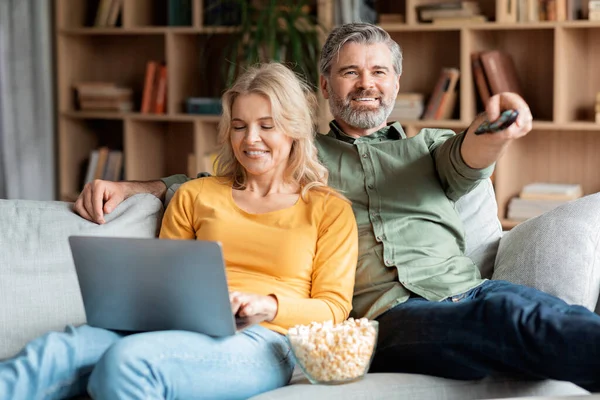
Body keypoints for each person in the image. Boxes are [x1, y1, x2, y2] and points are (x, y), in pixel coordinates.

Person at [75, 22, 600, 392]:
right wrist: (137, 187)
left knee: (544, 314)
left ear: (395, 83)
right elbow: (216, 181)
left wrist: (496, 130)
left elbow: (471, 152)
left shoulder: (429, 149)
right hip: (390, 319)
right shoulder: (299, 156)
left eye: (378, 72)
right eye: (350, 72)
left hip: (469, 290)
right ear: (326, 87)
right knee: (511, 318)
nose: (366, 84)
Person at [0, 63, 358, 400]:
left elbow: (333, 309)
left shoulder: (328, 209)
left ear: (294, 129)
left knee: (129, 362)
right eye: (239, 126)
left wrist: (267, 305)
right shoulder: (195, 195)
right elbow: (164, 286)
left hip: (267, 340)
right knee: (56, 352)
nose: (251, 139)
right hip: (177, 329)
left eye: (267, 126)